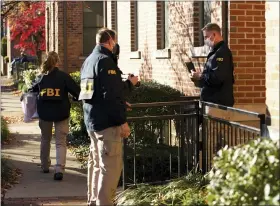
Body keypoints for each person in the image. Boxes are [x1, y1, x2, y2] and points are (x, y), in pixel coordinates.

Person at [79, 28, 139, 206]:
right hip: (106, 124)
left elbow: (94, 92)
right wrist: (122, 121)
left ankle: (93, 200)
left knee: (97, 165)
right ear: (111, 41)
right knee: (110, 169)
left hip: (92, 121)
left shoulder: (88, 61)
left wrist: (121, 103)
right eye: (115, 42)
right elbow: (111, 94)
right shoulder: (105, 61)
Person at [28, 51, 80, 181]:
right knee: (60, 142)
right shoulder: (64, 77)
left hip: (44, 113)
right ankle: (59, 170)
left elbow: (30, 91)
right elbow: (77, 92)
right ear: (57, 62)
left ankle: (45, 165)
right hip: (61, 113)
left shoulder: (40, 78)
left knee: (45, 139)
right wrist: (74, 98)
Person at [190, 23, 234, 107]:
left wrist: (200, 76)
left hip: (218, 104)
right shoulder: (215, 52)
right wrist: (197, 77)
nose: (205, 40)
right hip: (210, 101)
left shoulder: (221, 52)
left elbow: (217, 78)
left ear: (214, 34)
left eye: (206, 37)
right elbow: (210, 78)